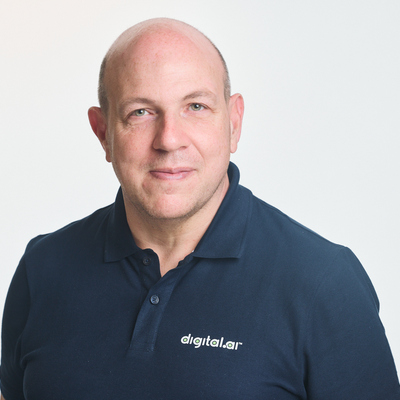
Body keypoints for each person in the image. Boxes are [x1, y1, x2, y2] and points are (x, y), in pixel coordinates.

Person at [1, 17, 399, 400]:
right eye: (140, 112)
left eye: (195, 106)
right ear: (103, 132)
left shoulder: (324, 283)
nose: (169, 139)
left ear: (234, 123)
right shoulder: (42, 268)